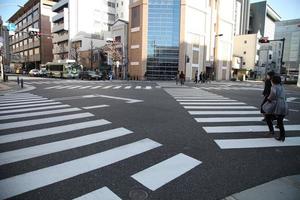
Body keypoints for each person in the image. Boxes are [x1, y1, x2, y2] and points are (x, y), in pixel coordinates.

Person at [263, 75, 288, 142]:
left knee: (267, 116)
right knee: (280, 122)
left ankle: (272, 131)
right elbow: (285, 96)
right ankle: (282, 136)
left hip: (278, 106)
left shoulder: (274, 87)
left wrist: (268, 99)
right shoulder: (282, 87)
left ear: (273, 81)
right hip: (284, 104)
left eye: (271, 80)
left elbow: (272, 95)